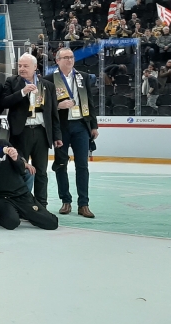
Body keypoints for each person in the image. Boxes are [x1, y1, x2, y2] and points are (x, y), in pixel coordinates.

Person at [0, 119, 58, 231]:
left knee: (52, 223)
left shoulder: (3, 144)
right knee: (12, 223)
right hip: (0, 197)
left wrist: (15, 159)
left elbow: (21, 170)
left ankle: (25, 212)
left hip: (20, 193)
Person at [2, 53, 62, 207]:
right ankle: (21, 203)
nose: (22, 69)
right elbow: (4, 102)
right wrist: (23, 92)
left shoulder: (47, 86)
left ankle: (42, 204)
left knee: (41, 171)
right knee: (21, 169)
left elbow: (53, 113)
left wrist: (57, 135)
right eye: (20, 65)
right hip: (20, 132)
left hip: (42, 133)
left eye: (26, 66)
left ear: (35, 67)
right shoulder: (11, 82)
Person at [45, 48, 98, 218]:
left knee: (82, 165)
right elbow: (44, 105)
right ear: (57, 60)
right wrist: (58, 105)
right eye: (65, 57)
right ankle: (65, 201)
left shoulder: (83, 77)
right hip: (61, 127)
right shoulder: (50, 79)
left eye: (71, 57)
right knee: (61, 163)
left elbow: (90, 101)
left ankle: (84, 204)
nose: (69, 60)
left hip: (81, 125)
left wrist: (94, 125)